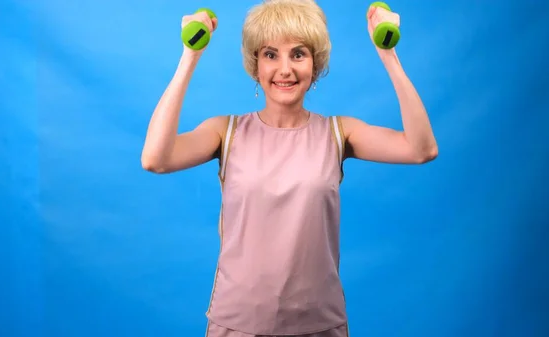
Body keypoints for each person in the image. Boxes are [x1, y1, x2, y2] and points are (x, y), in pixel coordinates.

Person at [141, 0, 438, 336]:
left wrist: (388, 53)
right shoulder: (225, 131)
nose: (285, 69)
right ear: (256, 63)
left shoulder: (340, 133)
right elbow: (155, 159)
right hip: (237, 323)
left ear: (316, 63)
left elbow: (421, 149)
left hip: (318, 324)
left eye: (298, 54)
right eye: (271, 54)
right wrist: (189, 55)